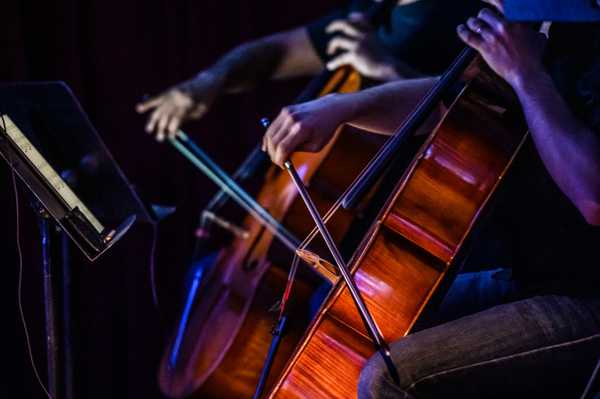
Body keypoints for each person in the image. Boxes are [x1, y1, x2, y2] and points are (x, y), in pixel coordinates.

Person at [261, 0, 600, 396]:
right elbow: (454, 97)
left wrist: (526, 74)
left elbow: (593, 199)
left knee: (390, 377)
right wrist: (340, 108)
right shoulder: (554, 22)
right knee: (343, 308)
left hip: (587, 295)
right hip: (531, 274)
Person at [136, 0, 482, 141]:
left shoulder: (470, 11)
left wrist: (384, 67)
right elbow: (279, 52)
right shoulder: (375, 10)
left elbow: (480, 121)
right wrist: (210, 79)